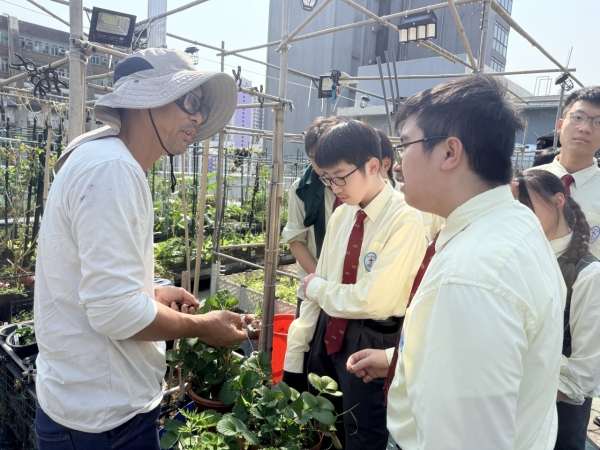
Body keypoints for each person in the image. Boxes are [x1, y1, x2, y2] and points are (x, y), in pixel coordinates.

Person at [33, 48, 248, 449]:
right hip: (104, 423)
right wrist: (204, 327)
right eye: (190, 101)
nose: (198, 118)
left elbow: (95, 285)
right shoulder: (112, 168)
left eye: (201, 106)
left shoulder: (101, 158)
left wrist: (151, 292)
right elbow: (115, 311)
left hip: (85, 407)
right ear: (144, 99)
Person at [347, 75, 566, 450]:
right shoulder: (515, 223)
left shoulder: (469, 279)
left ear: (450, 152)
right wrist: (404, 358)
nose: (396, 166)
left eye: (405, 145)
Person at [283, 119, 425, 449]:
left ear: (373, 166)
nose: (334, 187)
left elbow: (371, 300)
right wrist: (298, 349)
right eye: (326, 179)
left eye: (340, 177)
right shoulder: (342, 214)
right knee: (323, 425)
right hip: (329, 331)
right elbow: (323, 281)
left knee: (364, 432)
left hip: (371, 338)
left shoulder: (405, 219)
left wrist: (318, 289)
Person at [515, 169, 600, 450]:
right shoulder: (519, 256)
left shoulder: (589, 275)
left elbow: (586, 371)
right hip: (514, 407)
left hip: (560, 410)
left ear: (558, 201)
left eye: (526, 204)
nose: (520, 215)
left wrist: (525, 395)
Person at [282, 116, 344, 317]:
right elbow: (296, 240)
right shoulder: (302, 190)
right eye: (314, 158)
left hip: (351, 293)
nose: (321, 164)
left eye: (326, 156)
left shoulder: (356, 186)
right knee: (307, 335)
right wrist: (322, 283)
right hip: (313, 291)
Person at [535, 86, 600, 259]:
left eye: (598, 123)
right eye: (578, 117)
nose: (585, 128)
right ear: (560, 125)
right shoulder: (526, 182)